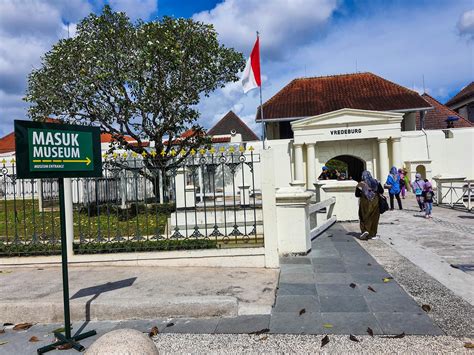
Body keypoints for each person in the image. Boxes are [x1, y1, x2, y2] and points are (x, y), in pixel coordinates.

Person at [355, 170, 384, 240]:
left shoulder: (360, 184)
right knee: (374, 217)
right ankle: (372, 234)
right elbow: (381, 191)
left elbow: (357, 194)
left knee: (363, 216)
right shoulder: (376, 182)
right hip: (375, 201)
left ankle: (364, 231)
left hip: (364, 202)